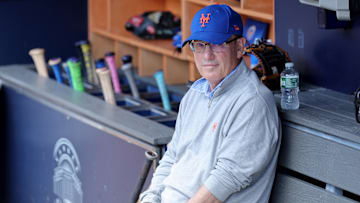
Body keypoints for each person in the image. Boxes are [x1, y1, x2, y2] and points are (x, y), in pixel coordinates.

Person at [140, 4, 281, 203]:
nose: (207, 55)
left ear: (240, 47)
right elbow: (172, 156)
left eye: (218, 44)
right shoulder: (195, 95)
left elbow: (224, 180)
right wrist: (150, 197)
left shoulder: (252, 102)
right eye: (199, 45)